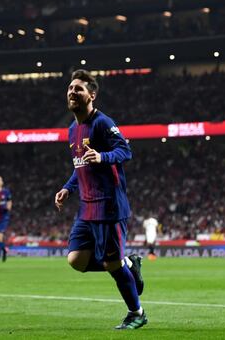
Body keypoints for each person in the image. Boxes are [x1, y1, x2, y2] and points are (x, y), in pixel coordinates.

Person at [54, 69, 147, 330]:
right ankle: (128, 264)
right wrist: (68, 188)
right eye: (70, 88)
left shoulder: (103, 123)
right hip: (86, 207)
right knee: (76, 260)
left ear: (92, 95)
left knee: (111, 263)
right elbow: (79, 166)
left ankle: (136, 312)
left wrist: (103, 157)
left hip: (109, 206)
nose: (72, 92)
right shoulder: (72, 130)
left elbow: (125, 150)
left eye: (79, 89)